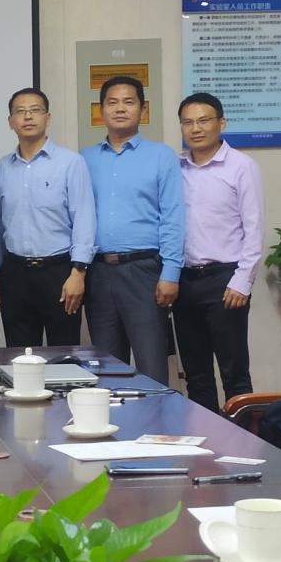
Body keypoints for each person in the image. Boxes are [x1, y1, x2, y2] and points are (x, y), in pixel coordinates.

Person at [81, 76, 184, 384]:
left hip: (144, 272)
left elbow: (173, 216)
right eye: (112, 102)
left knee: (151, 366)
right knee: (106, 369)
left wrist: (171, 273)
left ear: (143, 109)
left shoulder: (161, 156)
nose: (120, 109)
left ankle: (157, 417)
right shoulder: (83, 159)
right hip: (98, 273)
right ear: (101, 110)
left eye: (129, 102)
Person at [172, 92, 263, 412]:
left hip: (225, 280)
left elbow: (253, 227)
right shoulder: (176, 167)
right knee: (195, 374)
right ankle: (207, 438)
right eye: (188, 122)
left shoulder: (241, 166)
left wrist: (243, 281)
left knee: (234, 372)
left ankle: (245, 437)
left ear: (221, 123)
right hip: (184, 281)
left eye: (204, 120)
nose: (196, 128)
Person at [0, 88, 95, 347]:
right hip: (14, 273)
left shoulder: (71, 163)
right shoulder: (2, 168)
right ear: (10, 121)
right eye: (20, 111)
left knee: (64, 355)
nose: (28, 117)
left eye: (35, 110)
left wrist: (78, 273)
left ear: (47, 117)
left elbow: (84, 219)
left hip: (59, 272)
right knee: (19, 356)